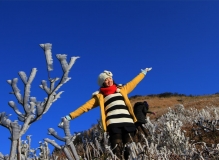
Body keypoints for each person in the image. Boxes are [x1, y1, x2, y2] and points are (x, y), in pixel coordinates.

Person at [62, 67, 152, 159]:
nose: (109, 81)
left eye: (110, 78)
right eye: (106, 80)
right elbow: (84, 107)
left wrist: (143, 73)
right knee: (117, 151)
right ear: (102, 83)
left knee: (131, 149)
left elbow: (134, 82)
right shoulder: (100, 97)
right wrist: (69, 116)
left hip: (128, 123)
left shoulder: (122, 90)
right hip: (113, 126)